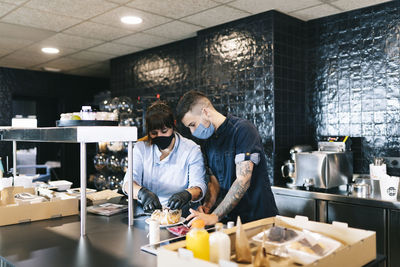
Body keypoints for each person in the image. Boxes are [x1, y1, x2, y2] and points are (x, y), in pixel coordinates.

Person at [176, 90, 278, 225]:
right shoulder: (208, 142)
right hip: (230, 221)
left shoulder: (243, 130)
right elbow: (215, 182)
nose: (193, 132)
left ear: (205, 112)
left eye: (193, 125)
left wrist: (214, 217)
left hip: (258, 219)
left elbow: (243, 180)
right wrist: (207, 206)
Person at [122, 101, 207, 214]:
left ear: (173, 125)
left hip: (181, 215)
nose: (160, 136)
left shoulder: (191, 149)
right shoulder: (140, 148)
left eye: (164, 131)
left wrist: (186, 194)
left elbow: (199, 186)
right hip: (147, 215)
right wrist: (143, 193)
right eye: (154, 133)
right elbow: (128, 183)